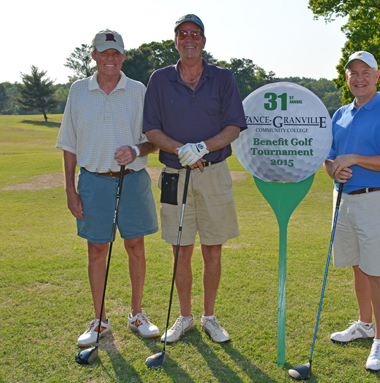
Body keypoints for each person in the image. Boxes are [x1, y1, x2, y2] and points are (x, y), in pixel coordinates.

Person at [143, 14, 247, 344]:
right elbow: (151, 128)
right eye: (183, 34)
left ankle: (209, 317)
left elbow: (233, 126)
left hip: (214, 173)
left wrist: (202, 147)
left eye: (195, 34)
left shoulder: (223, 77)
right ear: (176, 41)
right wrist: (180, 150)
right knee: (180, 250)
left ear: (203, 41)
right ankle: (185, 316)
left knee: (212, 250)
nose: (189, 39)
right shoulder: (159, 79)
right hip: (175, 175)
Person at [56, 29, 160, 347]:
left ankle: (137, 314)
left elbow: (153, 140)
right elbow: (69, 145)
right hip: (92, 181)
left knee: (136, 247)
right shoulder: (78, 91)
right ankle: (100, 320)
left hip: (132, 181)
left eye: (116, 53)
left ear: (124, 56)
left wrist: (136, 150)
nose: (110, 58)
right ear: (93, 55)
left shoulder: (139, 90)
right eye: (104, 52)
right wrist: (70, 190)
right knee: (97, 250)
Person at [324, 51, 380, 371]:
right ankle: (364, 324)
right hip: (343, 199)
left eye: (365, 72)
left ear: (377, 75)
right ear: (346, 78)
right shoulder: (341, 113)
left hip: (376, 200)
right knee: (358, 267)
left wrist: (354, 159)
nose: (358, 78)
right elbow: (329, 157)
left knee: (378, 272)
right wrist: (334, 169)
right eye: (352, 73)